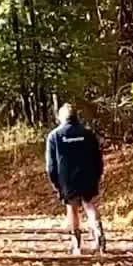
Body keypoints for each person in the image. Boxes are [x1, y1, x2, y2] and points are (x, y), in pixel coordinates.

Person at [46, 103, 106, 256]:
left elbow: (51, 165)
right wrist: (97, 175)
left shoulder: (54, 136)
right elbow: (98, 158)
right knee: (89, 203)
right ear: (76, 117)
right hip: (88, 174)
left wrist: (55, 183)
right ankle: (98, 231)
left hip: (66, 178)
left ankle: (76, 244)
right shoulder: (88, 134)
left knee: (72, 207)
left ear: (60, 117)